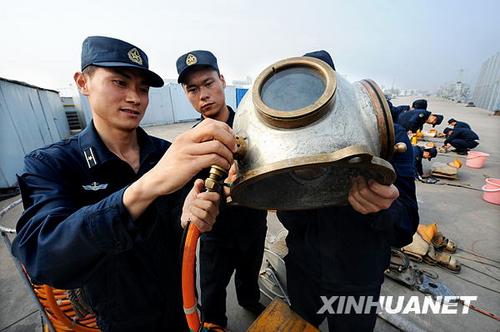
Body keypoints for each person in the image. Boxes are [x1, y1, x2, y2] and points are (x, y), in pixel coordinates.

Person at [11, 36, 237, 332]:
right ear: (82, 82)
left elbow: (178, 216)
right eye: (119, 83)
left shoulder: (162, 153)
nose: (135, 97)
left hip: (179, 306)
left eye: (142, 89)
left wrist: (188, 214)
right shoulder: (53, 164)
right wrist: (146, 186)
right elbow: (44, 257)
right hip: (121, 318)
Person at [277, 50, 419, 332]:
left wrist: (385, 209)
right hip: (304, 271)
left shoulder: (385, 135)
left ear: (338, 91)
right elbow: (286, 216)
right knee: (302, 324)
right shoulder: (288, 147)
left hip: (357, 279)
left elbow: (405, 228)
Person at [176, 50, 268, 330]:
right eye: (193, 89)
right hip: (216, 232)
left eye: (208, 84)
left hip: (253, 221)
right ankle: (215, 324)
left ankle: (250, 301)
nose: (202, 95)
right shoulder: (191, 141)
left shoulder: (252, 128)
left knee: (249, 274)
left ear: (222, 81)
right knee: (212, 289)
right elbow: (187, 191)